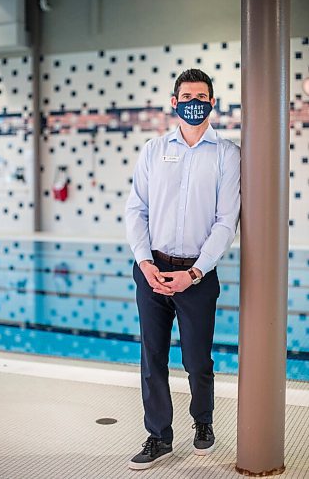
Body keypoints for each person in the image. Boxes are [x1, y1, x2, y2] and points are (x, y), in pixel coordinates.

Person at [124, 68, 241, 470]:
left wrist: (194, 273)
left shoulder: (227, 154)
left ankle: (203, 422)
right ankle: (159, 436)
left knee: (197, 359)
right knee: (152, 357)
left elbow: (227, 221)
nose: (194, 102)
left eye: (201, 96)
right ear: (174, 102)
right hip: (152, 269)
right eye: (186, 95)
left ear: (212, 102)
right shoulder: (153, 151)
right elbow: (135, 209)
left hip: (197, 275)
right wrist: (144, 261)